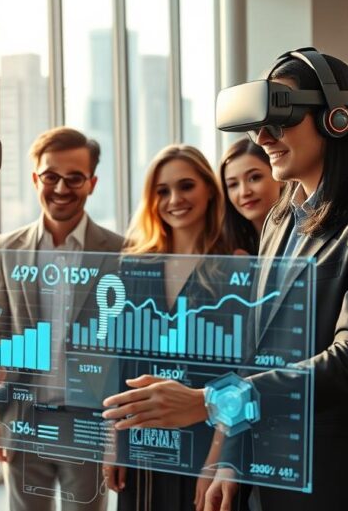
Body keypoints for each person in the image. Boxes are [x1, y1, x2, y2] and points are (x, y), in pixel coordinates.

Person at [101, 48, 348, 511]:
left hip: (342, 480)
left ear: (336, 118)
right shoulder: (281, 217)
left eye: (280, 121)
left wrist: (210, 401)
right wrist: (234, 458)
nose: (262, 137)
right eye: (259, 125)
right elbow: (259, 353)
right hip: (269, 475)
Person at [0, 127, 123, 511]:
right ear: (35, 179)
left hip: (88, 423)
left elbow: (124, 349)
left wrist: (116, 435)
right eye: (50, 176)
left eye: (74, 177)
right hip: (23, 419)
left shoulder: (120, 252)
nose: (61, 187)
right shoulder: (6, 249)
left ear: (91, 183)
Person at [104, 144, 233, 511]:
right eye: (162, 190)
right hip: (141, 439)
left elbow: (237, 375)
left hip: (204, 437)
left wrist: (217, 458)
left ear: (210, 189)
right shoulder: (132, 267)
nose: (174, 199)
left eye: (186, 186)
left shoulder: (234, 269)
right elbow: (120, 364)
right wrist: (111, 443)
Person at [219, 137, 285, 255]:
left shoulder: (297, 239)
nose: (244, 192)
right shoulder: (227, 248)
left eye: (254, 178)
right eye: (233, 184)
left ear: (280, 177)